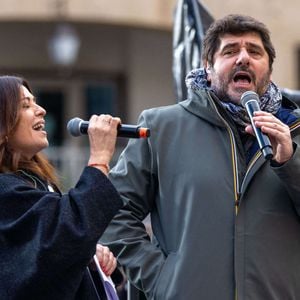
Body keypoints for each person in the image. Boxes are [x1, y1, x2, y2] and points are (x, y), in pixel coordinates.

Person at [100, 14, 300, 300]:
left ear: (268, 70)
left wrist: (291, 163)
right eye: (230, 51)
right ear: (208, 67)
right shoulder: (161, 127)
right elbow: (112, 209)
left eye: (254, 52)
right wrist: (163, 278)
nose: (243, 58)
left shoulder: (294, 130)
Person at [0, 75, 124, 299]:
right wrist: (99, 159)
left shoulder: (32, 182)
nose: (40, 110)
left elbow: (51, 255)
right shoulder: (5, 191)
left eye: (34, 101)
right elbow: (60, 238)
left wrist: (89, 258)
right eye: (25, 105)